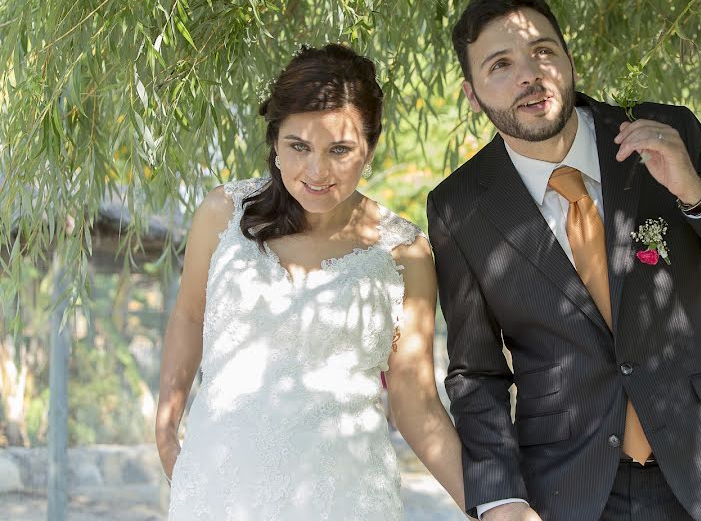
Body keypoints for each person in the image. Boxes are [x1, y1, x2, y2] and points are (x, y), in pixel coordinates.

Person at [426, 0, 701, 521]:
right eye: (501, 65)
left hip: (700, 471)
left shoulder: (665, 135)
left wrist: (695, 192)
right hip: (564, 488)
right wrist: (500, 500)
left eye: (544, 52)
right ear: (472, 93)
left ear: (569, 59)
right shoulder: (459, 206)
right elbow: (476, 373)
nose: (531, 74)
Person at [155, 44, 468, 520]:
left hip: (346, 497)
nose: (317, 171)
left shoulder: (403, 251)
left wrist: (491, 507)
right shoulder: (222, 213)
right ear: (274, 142)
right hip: (217, 488)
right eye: (298, 146)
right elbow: (190, 315)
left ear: (370, 148)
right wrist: (166, 418)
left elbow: (417, 404)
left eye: (339, 150)